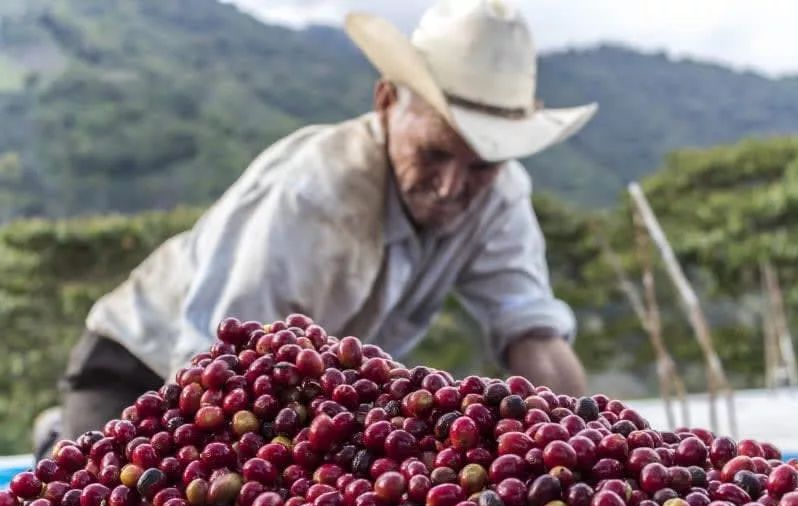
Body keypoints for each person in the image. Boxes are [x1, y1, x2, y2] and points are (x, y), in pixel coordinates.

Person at [34, 0, 598, 457]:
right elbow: (219, 370)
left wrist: (589, 443)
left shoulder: (499, 196)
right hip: (149, 367)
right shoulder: (315, 194)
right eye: (433, 154)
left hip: (296, 400)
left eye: (480, 165)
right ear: (385, 102)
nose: (453, 187)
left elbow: (533, 333)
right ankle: (62, 433)